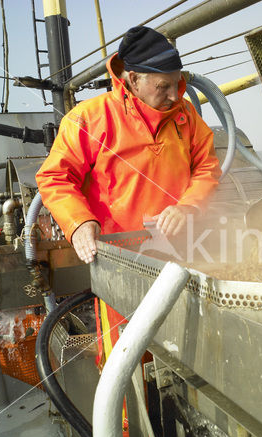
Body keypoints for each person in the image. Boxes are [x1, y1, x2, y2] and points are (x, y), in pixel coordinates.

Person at [36, 25, 221, 264]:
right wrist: (79, 222)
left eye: (176, 83)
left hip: (184, 252)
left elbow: (207, 168)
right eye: (163, 86)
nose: (175, 96)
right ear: (134, 79)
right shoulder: (88, 118)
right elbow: (55, 177)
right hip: (118, 257)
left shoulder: (186, 115)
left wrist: (188, 207)